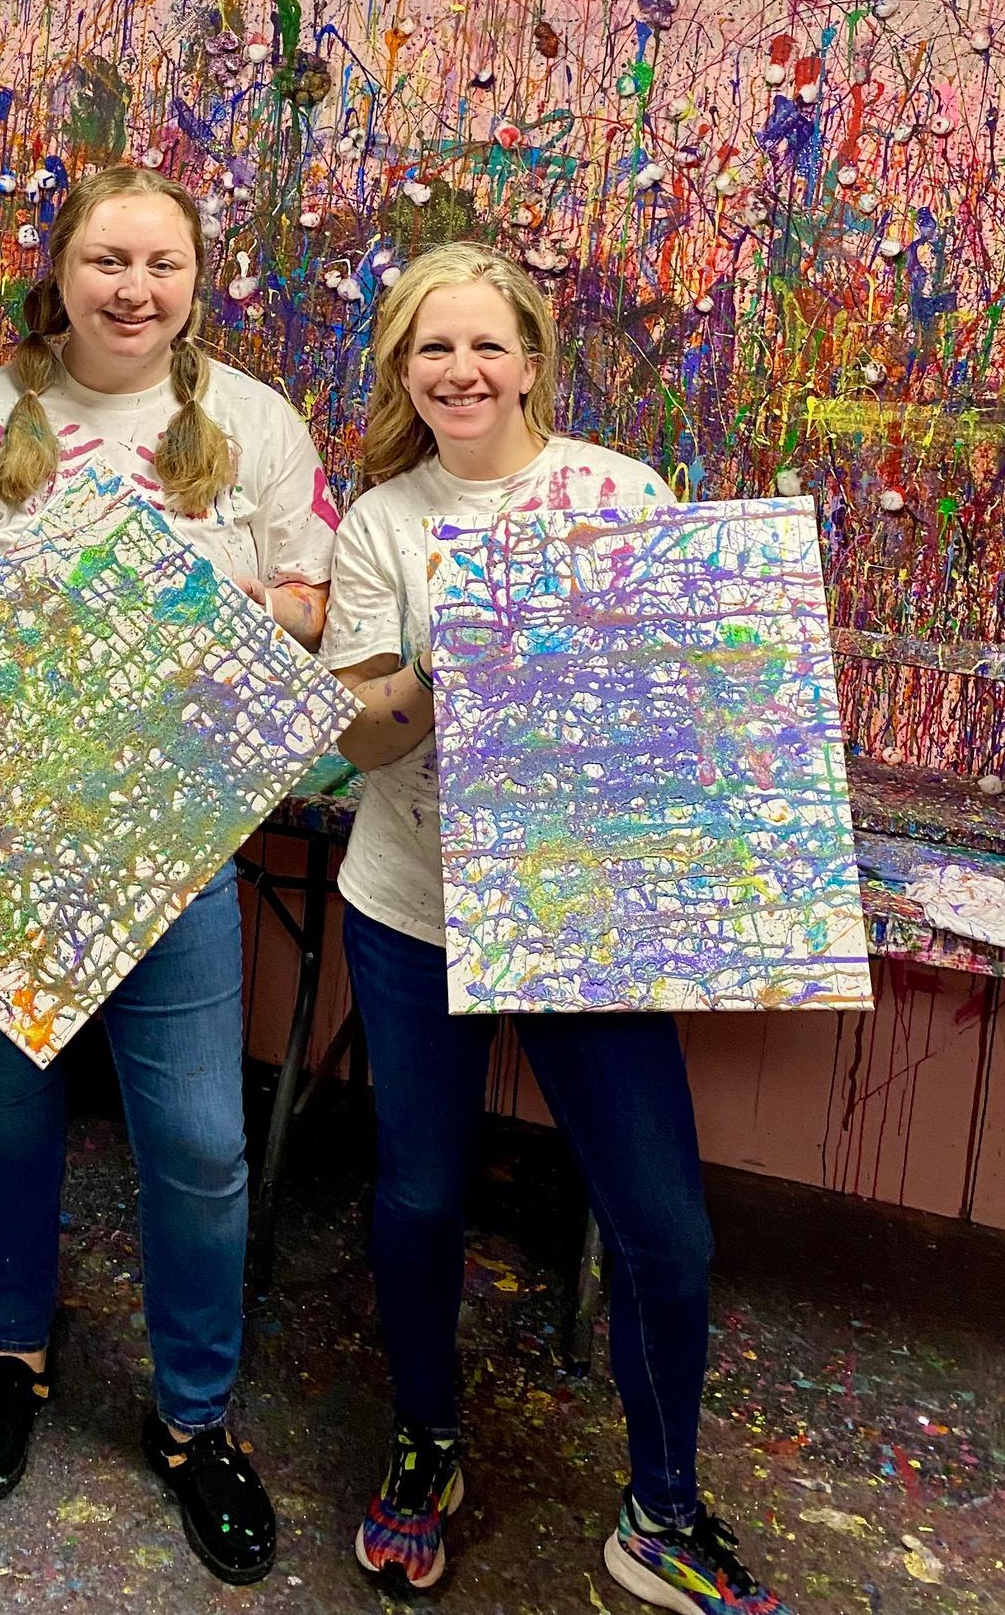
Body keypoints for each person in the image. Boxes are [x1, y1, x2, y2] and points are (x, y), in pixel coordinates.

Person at [0, 163, 335, 1586]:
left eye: (165, 266)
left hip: (174, 842)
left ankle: (195, 1417)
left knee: (195, 1141)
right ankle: (15, 1352)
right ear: (57, 271)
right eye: (109, 261)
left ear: (198, 283)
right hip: (7, 839)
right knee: (11, 1117)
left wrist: (214, 594)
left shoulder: (249, 421)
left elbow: (315, 608)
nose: (136, 289)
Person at [323, 241, 791, 1611]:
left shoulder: (617, 492)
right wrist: (444, 658)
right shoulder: (381, 525)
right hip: (414, 907)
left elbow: (683, 702)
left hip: (588, 906)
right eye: (431, 349)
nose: (459, 372)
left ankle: (661, 1508)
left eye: (484, 346)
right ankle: (426, 1441)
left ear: (530, 358)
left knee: (663, 1221)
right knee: (418, 1196)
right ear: (406, 371)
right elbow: (360, 735)